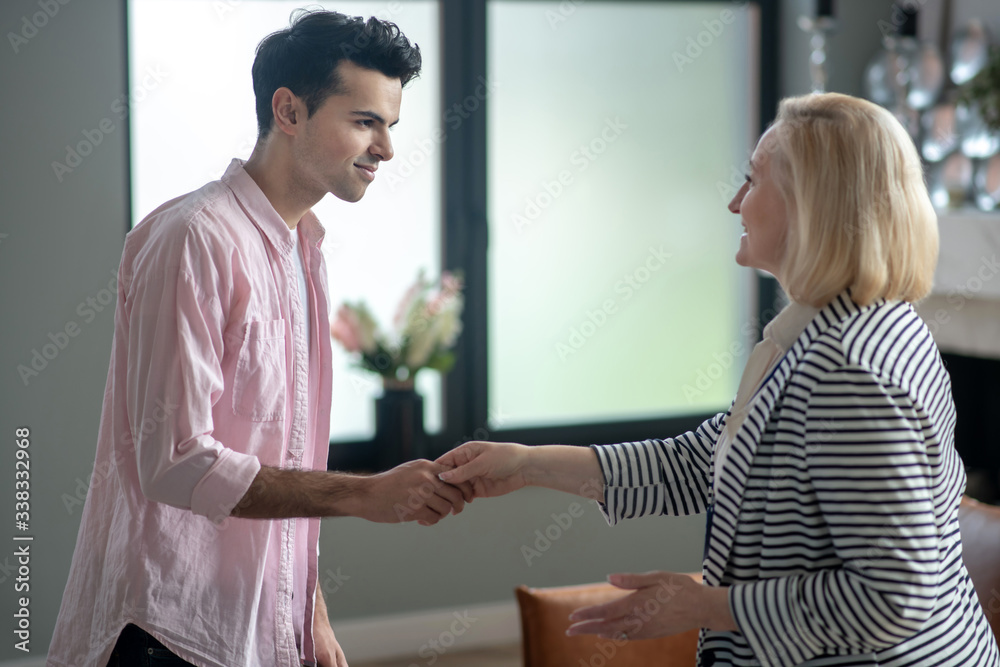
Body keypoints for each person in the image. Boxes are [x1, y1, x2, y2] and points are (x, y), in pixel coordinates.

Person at [437, 93, 1000, 666]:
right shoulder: (830, 333)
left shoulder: (848, 370)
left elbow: (891, 601)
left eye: (752, 181)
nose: (735, 203)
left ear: (813, 204)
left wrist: (707, 607)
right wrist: (526, 465)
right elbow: (703, 462)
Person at [47, 10, 470, 667]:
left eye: (390, 126)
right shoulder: (195, 238)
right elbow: (177, 458)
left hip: (259, 629)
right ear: (289, 110)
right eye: (365, 121)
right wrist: (364, 494)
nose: (386, 148)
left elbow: (280, 453)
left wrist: (310, 609)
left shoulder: (305, 252)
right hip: (168, 633)